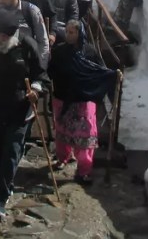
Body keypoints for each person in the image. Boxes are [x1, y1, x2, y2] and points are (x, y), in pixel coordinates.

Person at [0, 8, 49, 219]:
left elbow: (41, 75)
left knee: (11, 152)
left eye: (4, 37)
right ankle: (3, 180)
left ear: (13, 35)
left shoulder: (27, 46)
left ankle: (0, 200)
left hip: (20, 108)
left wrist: (35, 88)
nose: (0, 39)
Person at [48, 20, 117, 185]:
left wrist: (113, 75)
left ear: (80, 34)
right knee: (62, 131)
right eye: (67, 31)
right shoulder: (59, 52)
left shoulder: (89, 52)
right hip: (63, 97)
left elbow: (99, 71)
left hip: (83, 100)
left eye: (72, 32)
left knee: (85, 136)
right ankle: (63, 157)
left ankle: (84, 170)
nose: (68, 35)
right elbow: (51, 71)